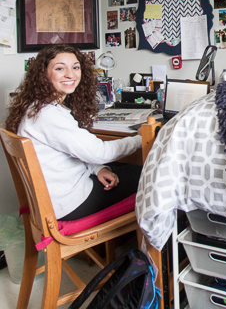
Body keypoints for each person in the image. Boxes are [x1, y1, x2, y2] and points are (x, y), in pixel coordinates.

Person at [5, 45, 143, 221]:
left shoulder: (37, 107)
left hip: (59, 197)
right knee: (147, 172)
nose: (70, 74)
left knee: (121, 168)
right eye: (60, 68)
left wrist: (97, 169)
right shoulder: (49, 115)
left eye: (75, 67)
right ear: (43, 74)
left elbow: (70, 154)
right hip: (69, 204)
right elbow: (102, 152)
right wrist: (140, 138)